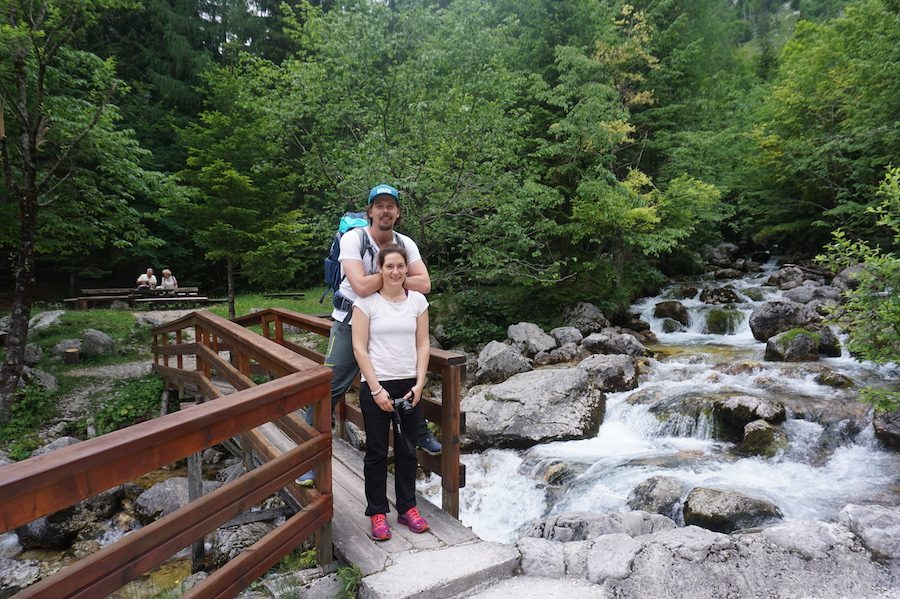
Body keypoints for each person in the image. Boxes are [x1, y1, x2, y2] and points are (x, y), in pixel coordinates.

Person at [300, 183, 440, 487]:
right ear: (370, 212)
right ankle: (307, 459)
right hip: (352, 322)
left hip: (390, 321)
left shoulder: (405, 242)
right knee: (326, 389)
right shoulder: (354, 239)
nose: (385, 211)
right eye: (379, 206)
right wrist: (395, 275)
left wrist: (389, 277)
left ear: (398, 212)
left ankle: (419, 431)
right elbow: (360, 287)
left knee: (407, 373)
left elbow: (426, 284)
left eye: (390, 206)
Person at [352, 243, 430, 540]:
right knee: (376, 451)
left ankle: (407, 508)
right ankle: (377, 512)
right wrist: (375, 389)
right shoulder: (366, 303)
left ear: (406, 268)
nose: (395, 272)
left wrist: (420, 384)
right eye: (389, 266)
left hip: (409, 384)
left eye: (400, 266)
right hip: (376, 384)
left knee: (407, 450)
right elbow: (359, 348)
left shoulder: (417, 301)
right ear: (380, 269)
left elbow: (423, 343)